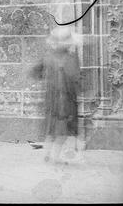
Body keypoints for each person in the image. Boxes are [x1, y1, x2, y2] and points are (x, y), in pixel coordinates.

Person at [30, 26, 83, 163]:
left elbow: (35, 72)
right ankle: (55, 157)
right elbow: (76, 78)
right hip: (65, 100)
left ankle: (47, 154)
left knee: (51, 129)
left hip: (51, 99)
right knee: (62, 131)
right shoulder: (71, 58)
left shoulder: (48, 56)